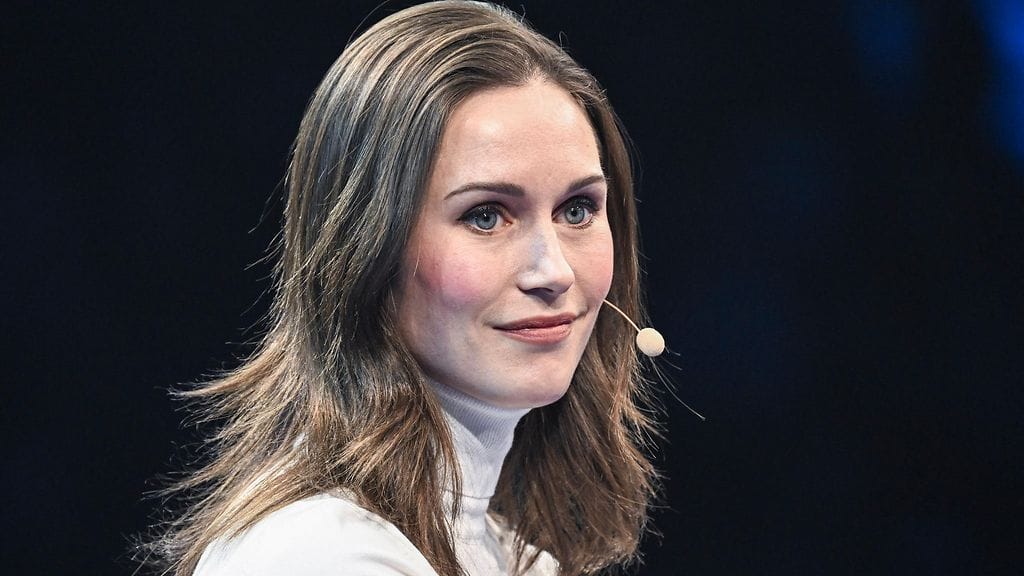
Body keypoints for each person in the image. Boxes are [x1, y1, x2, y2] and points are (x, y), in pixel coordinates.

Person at [140, 1, 660, 574]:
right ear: (362, 247)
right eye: (486, 216)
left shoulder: (516, 561)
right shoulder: (321, 554)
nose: (554, 271)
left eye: (578, 209)